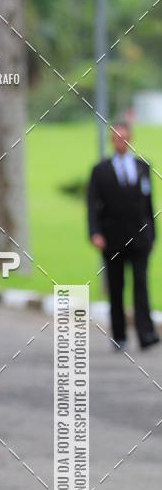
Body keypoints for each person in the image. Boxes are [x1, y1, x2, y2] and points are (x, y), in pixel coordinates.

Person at [87, 119, 159, 351]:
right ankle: (119, 335)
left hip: (140, 238)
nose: (120, 141)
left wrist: (152, 235)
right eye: (116, 137)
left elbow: (148, 204)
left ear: (130, 138)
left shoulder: (142, 167)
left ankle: (146, 333)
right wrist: (95, 233)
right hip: (112, 238)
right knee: (116, 287)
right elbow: (92, 206)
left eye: (124, 137)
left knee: (141, 286)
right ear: (111, 139)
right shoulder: (100, 171)